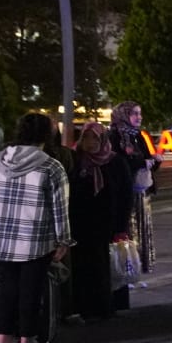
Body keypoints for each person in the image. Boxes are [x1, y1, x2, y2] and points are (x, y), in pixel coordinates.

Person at [0, 113, 72, 343]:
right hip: (36, 237)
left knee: (5, 288)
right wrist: (63, 239)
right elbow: (59, 207)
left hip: (1, 236)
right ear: (46, 134)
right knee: (31, 289)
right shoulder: (50, 166)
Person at [66, 123, 132, 321]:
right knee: (83, 265)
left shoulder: (115, 162)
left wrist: (121, 225)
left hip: (107, 223)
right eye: (86, 138)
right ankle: (83, 306)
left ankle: (105, 306)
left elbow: (125, 195)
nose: (90, 143)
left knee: (106, 264)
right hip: (80, 223)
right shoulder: (75, 160)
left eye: (95, 138)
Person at [110, 101, 160, 275]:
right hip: (126, 191)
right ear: (124, 115)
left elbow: (147, 160)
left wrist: (154, 161)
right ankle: (127, 268)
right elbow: (119, 162)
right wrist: (141, 162)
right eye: (135, 114)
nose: (139, 117)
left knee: (142, 230)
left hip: (141, 191)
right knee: (128, 230)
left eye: (140, 113)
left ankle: (139, 266)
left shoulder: (138, 135)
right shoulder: (115, 136)